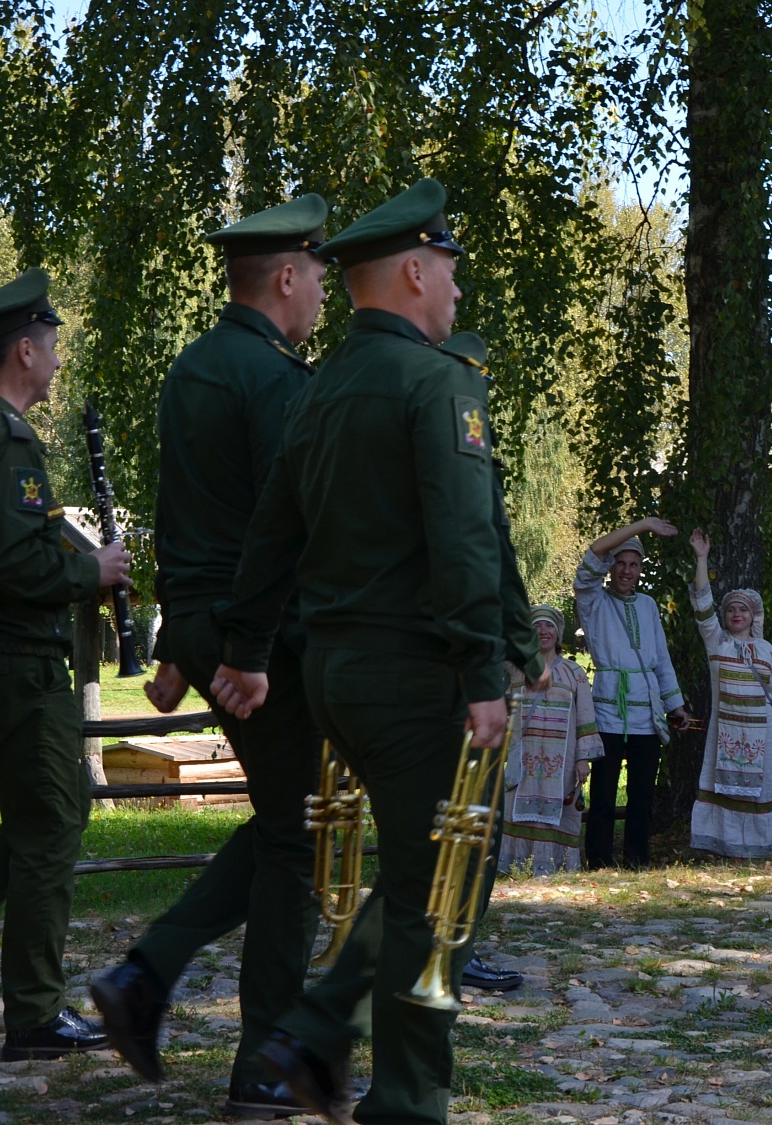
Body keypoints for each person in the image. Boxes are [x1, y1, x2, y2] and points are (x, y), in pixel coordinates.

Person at [208, 178, 546, 1125]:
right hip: (413, 679)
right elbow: (466, 540)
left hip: (333, 677)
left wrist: (247, 646)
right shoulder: (440, 384)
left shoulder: (316, 390)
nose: (456, 290)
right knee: (436, 894)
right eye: (448, 269)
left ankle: (308, 1046)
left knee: (406, 884)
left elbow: (271, 532)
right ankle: (399, 1099)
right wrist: (486, 673)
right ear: (410, 269)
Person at [87, 195, 338, 1117]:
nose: (320, 290)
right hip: (257, 632)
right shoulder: (276, 380)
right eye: (315, 273)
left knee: (285, 824)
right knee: (301, 841)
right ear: (284, 277)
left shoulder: (192, 366)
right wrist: (253, 649)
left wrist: (180, 651)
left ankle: (148, 978)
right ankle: (262, 1061)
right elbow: (283, 526)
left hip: (205, 622)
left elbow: (192, 521)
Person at [0, 269, 130, 1058]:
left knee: (33, 815)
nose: (55, 360)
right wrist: (95, 573)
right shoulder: (3, 438)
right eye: (50, 345)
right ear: (23, 349)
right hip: (15, 659)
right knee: (54, 819)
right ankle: (36, 1013)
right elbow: (14, 562)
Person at [574, 519, 689, 869]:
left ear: (641, 569)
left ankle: (638, 860)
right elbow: (593, 553)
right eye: (620, 563)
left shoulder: (649, 605)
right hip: (608, 710)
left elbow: (661, 660)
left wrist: (676, 705)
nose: (626, 570)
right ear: (611, 568)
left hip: (646, 712)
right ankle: (598, 861)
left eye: (633, 564)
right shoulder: (593, 599)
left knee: (642, 793)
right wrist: (642, 526)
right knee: (604, 792)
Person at [687, 529, 772, 859]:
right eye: (731, 611)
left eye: (743, 610)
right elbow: (702, 606)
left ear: (754, 616)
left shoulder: (767, 649)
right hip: (725, 731)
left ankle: (760, 847)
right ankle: (727, 847)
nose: (736, 614)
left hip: (764, 733)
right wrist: (701, 558)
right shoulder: (717, 644)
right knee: (724, 788)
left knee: (762, 789)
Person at [498, 605, 603, 876]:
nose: (543, 632)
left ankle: (556, 869)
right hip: (524, 757)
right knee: (515, 807)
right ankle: (516, 869)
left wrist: (583, 759)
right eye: (536, 626)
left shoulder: (574, 672)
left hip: (563, 760)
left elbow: (585, 718)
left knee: (562, 810)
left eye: (549, 626)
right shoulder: (516, 669)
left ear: (558, 633)